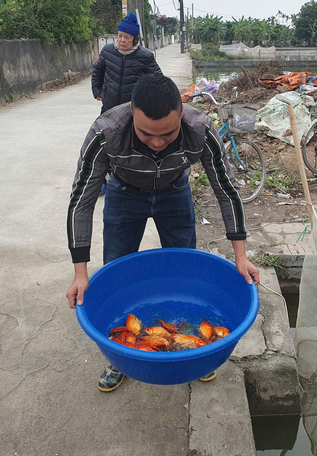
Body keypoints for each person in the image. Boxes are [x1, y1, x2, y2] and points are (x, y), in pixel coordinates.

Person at [66, 74, 260, 392]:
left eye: (168, 134)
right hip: (124, 193)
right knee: (116, 268)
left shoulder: (200, 130)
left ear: (181, 115)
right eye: (146, 134)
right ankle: (118, 357)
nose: (157, 142)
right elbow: (81, 201)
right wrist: (79, 273)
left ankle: (198, 352)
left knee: (185, 265)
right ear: (131, 113)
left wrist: (241, 256)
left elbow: (226, 189)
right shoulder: (107, 132)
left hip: (174, 191)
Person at [92, 13, 163, 195]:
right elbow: (97, 72)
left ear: (135, 39)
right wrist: (97, 91)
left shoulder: (145, 56)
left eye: (127, 37)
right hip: (108, 107)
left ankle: (130, 179)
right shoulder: (107, 51)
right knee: (105, 143)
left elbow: (158, 80)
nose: (122, 40)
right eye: (120, 35)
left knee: (130, 144)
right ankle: (104, 180)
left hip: (132, 111)